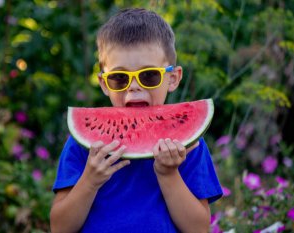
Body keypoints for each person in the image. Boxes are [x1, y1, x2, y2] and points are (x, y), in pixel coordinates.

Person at [50, 8, 223, 233]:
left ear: (173, 78)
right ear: (103, 84)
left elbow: (199, 229)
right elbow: (59, 228)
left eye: (149, 75)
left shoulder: (189, 148)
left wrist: (169, 174)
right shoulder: (82, 147)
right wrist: (89, 180)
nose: (134, 86)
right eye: (119, 78)